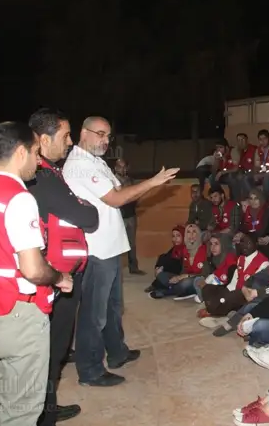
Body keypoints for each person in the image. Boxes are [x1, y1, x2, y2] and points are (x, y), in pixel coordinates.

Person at [0, 121, 74, 426]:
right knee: (21, 408)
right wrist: (59, 277)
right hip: (14, 316)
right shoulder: (18, 198)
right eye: (35, 153)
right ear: (21, 152)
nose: (38, 161)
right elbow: (32, 269)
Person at [62, 115, 179, 387]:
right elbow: (116, 198)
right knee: (94, 314)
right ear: (83, 133)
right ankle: (90, 370)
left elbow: (120, 189)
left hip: (110, 247)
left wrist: (136, 188)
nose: (105, 140)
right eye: (100, 134)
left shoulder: (97, 161)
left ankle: (117, 352)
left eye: (108, 136)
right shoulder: (79, 164)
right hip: (96, 250)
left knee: (113, 307)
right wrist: (152, 182)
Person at [28, 108, 100, 425]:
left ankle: (47, 406)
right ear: (44, 140)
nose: (70, 142)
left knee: (53, 349)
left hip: (59, 274)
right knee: (51, 350)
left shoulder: (49, 174)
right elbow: (88, 216)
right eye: (65, 135)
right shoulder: (43, 177)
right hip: (55, 277)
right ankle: (43, 414)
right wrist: (83, 206)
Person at [114, 157, 144, 274]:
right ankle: (116, 269)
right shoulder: (112, 181)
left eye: (124, 167)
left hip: (131, 215)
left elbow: (136, 196)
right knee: (117, 243)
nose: (122, 169)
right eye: (119, 167)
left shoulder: (131, 180)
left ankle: (133, 267)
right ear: (115, 168)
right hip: (119, 216)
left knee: (131, 243)